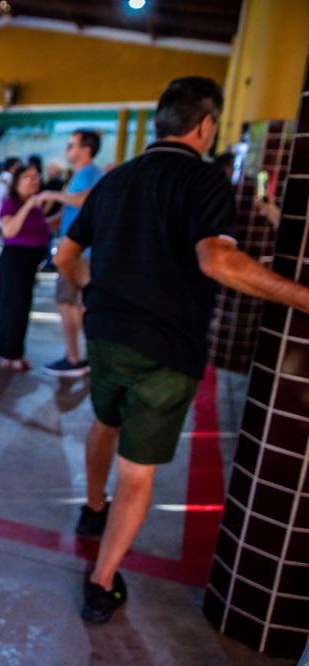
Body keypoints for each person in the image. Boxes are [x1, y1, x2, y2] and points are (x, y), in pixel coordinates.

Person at [56, 76, 309, 624]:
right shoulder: (205, 180)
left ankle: (92, 512)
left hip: (107, 333)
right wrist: (301, 295)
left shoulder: (117, 179)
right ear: (205, 125)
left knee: (105, 421)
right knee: (139, 472)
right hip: (167, 347)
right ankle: (101, 583)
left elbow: (65, 256)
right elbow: (218, 261)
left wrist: (91, 290)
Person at [38, 129, 104, 377]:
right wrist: (52, 220)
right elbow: (74, 211)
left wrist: (50, 194)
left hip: (79, 251)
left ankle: (74, 358)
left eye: (71, 145)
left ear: (86, 149)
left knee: (67, 303)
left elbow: (84, 201)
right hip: (77, 247)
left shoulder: (90, 173)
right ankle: (79, 356)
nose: (68, 150)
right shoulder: (82, 174)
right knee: (73, 304)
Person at [0, 164, 51, 370]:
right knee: (12, 307)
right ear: (17, 183)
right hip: (15, 261)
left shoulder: (37, 205)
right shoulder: (11, 203)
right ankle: (9, 354)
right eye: (28, 177)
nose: (34, 180)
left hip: (29, 263)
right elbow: (9, 231)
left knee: (23, 307)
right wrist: (28, 206)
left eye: (36, 176)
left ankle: (15, 351)